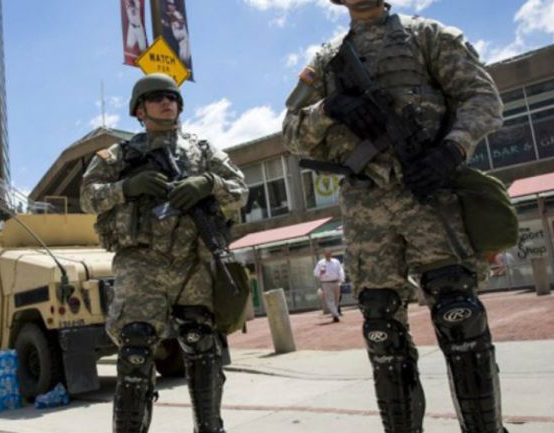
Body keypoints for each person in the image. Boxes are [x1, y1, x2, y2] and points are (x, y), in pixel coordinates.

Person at [282, 1, 508, 432]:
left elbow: (482, 98)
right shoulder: (326, 59)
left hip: (430, 192)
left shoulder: (428, 35)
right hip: (367, 207)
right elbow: (291, 135)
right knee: (381, 326)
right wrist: (331, 108)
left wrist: (453, 148)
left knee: (459, 314)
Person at [81, 73, 248, 433]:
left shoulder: (202, 150)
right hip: (141, 262)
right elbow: (87, 196)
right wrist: (126, 187)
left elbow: (240, 190)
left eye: (172, 97)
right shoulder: (119, 154)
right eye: (156, 97)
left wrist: (209, 183)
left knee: (201, 344)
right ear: (139, 109)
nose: (167, 102)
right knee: (136, 349)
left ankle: (210, 427)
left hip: (193, 260)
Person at [313, 251, 344, 322]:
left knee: (337, 300)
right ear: (324, 255)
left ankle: (335, 314)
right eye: (326, 254)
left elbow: (340, 270)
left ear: (331, 254)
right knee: (330, 300)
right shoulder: (321, 263)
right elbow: (315, 273)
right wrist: (321, 273)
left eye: (329, 254)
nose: (328, 255)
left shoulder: (336, 261)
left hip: (336, 282)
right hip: (326, 283)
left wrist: (341, 279)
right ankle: (336, 314)